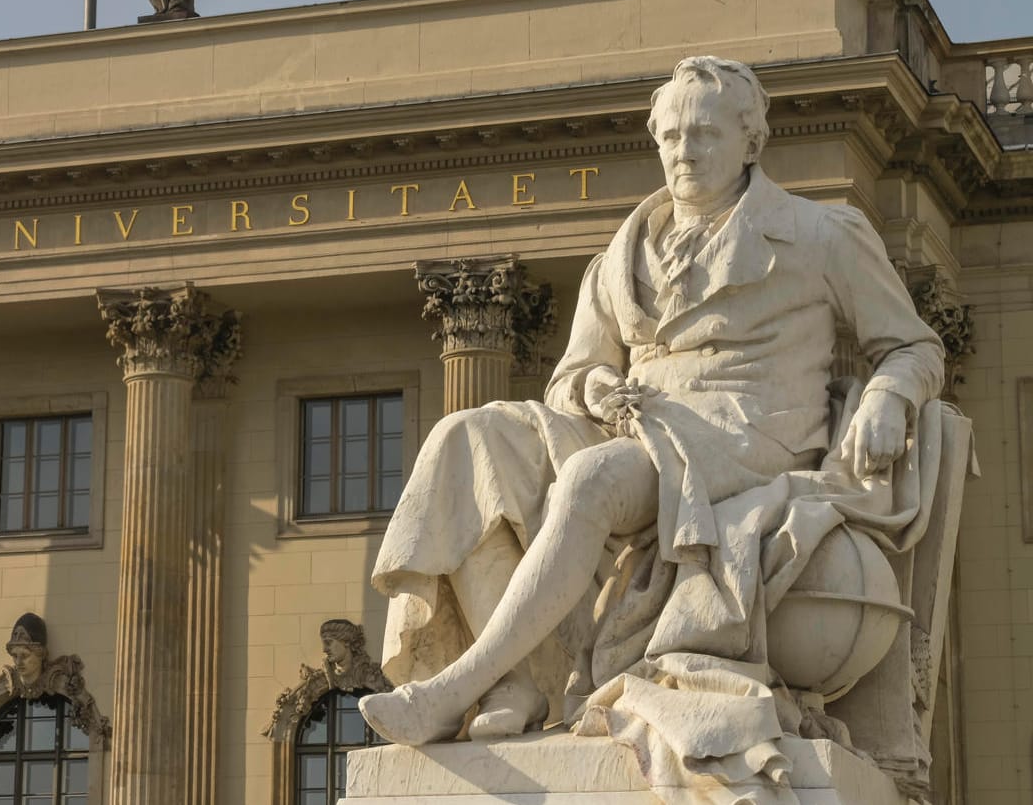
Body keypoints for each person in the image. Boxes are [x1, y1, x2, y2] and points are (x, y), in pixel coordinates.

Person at [362, 56, 943, 799]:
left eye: (702, 133)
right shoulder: (619, 259)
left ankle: (450, 686)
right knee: (464, 441)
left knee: (591, 478)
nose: (683, 151)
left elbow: (915, 345)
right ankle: (509, 685)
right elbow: (570, 376)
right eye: (670, 135)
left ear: (751, 143)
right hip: (637, 428)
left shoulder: (822, 234)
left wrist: (889, 398)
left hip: (746, 439)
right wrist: (596, 384)